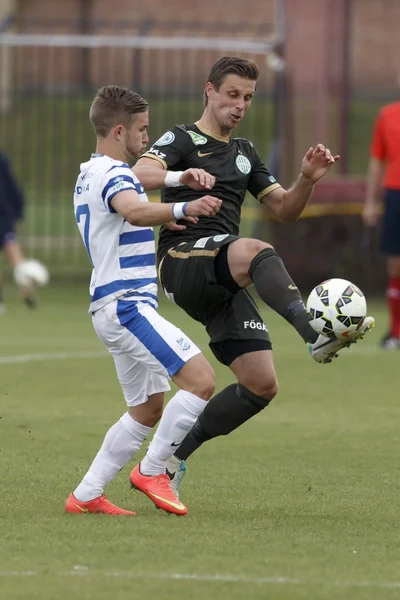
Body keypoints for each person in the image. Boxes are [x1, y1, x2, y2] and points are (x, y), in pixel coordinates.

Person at [133, 56, 375, 494]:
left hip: (222, 270)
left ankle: (166, 464)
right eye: (232, 95)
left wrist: (306, 179)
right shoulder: (183, 138)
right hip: (183, 259)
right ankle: (312, 333)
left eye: (247, 97)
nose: (240, 105)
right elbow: (139, 173)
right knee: (255, 250)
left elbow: (284, 210)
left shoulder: (244, 152)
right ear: (209, 90)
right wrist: (178, 174)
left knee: (261, 384)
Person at [66, 85, 222, 516]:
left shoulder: (91, 173)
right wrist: (181, 209)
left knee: (148, 408)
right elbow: (133, 209)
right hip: (126, 304)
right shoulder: (115, 177)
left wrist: (175, 181)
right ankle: (153, 471)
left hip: (112, 304)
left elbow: (126, 211)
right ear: (119, 131)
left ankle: (85, 495)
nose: (146, 140)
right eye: (142, 130)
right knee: (201, 380)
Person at [363, 98, 400, 350]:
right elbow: (377, 160)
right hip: (395, 194)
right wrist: (370, 202)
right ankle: (396, 332)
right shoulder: (387, 115)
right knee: (395, 263)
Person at [0, 150, 36, 311]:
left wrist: (18, 210)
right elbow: (13, 187)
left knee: (14, 254)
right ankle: (26, 287)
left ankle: (26, 287)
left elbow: (11, 186)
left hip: (3, 215)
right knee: (14, 254)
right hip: (5, 216)